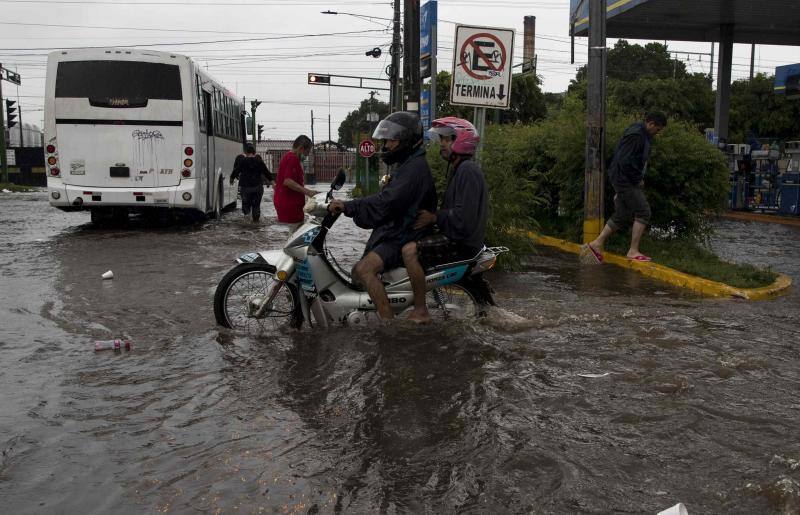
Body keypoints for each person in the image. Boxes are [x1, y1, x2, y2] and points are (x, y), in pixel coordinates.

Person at [328, 111, 437, 322]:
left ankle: (388, 326)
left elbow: (386, 203)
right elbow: (386, 198)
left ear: (407, 141)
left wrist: (349, 206)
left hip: (405, 234)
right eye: (386, 140)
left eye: (392, 140)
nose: (387, 145)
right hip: (398, 230)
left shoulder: (414, 169)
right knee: (356, 271)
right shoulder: (408, 165)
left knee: (363, 270)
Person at [400, 117, 489, 324]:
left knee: (409, 251)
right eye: (441, 139)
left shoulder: (467, 171)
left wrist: (434, 217)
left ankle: (420, 310)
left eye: (447, 139)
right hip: (460, 237)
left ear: (461, 141)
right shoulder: (460, 170)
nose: (442, 144)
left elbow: (463, 217)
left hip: (462, 242)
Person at [583, 112, 667, 263]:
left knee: (622, 215)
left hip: (622, 179)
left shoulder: (640, 132)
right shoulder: (637, 135)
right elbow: (624, 160)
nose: (658, 133)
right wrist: (637, 179)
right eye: (658, 129)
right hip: (625, 180)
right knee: (643, 211)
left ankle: (596, 244)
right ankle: (633, 251)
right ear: (651, 124)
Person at [274, 135, 318, 233]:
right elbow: (288, 181)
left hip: (290, 202)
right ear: (301, 148)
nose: (307, 155)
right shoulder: (292, 159)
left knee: (296, 232)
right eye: (307, 152)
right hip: (290, 204)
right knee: (295, 234)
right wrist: (308, 192)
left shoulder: (290, 157)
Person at [229, 144, 273, 223]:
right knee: (256, 206)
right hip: (257, 188)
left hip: (245, 189)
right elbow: (266, 172)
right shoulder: (259, 161)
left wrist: (231, 179)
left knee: (246, 206)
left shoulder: (243, 161)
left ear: (246, 153)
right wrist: (273, 182)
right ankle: (256, 223)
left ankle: (247, 223)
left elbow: (236, 171)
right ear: (254, 153)